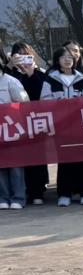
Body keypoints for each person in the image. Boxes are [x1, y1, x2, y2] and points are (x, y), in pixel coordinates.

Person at [42, 47, 83, 206]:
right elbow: (44, 100)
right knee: (65, 159)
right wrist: (60, 105)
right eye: (63, 57)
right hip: (61, 125)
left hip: (80, 125)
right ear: (57, 60)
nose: (67, 60)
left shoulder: (81, 79)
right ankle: (64, 194)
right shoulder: (51, 79)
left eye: (70, 57)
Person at [9, 44, 49, 205]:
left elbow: (42, 94)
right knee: (18, 157)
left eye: (25, 54)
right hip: (14, 122)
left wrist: (31, 73)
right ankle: (21, 191)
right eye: (18, 55)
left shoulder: (40, 73)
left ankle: (37, 190)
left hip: (36, 120)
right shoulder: (9, 74)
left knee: (37, 155)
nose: (22, 58)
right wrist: (9, 66)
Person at [0, 48, 29, 210]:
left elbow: (24, 103)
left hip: (12, 129)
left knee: (15, 165)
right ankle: (3, 197)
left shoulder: (11, 81)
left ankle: (18, 197)